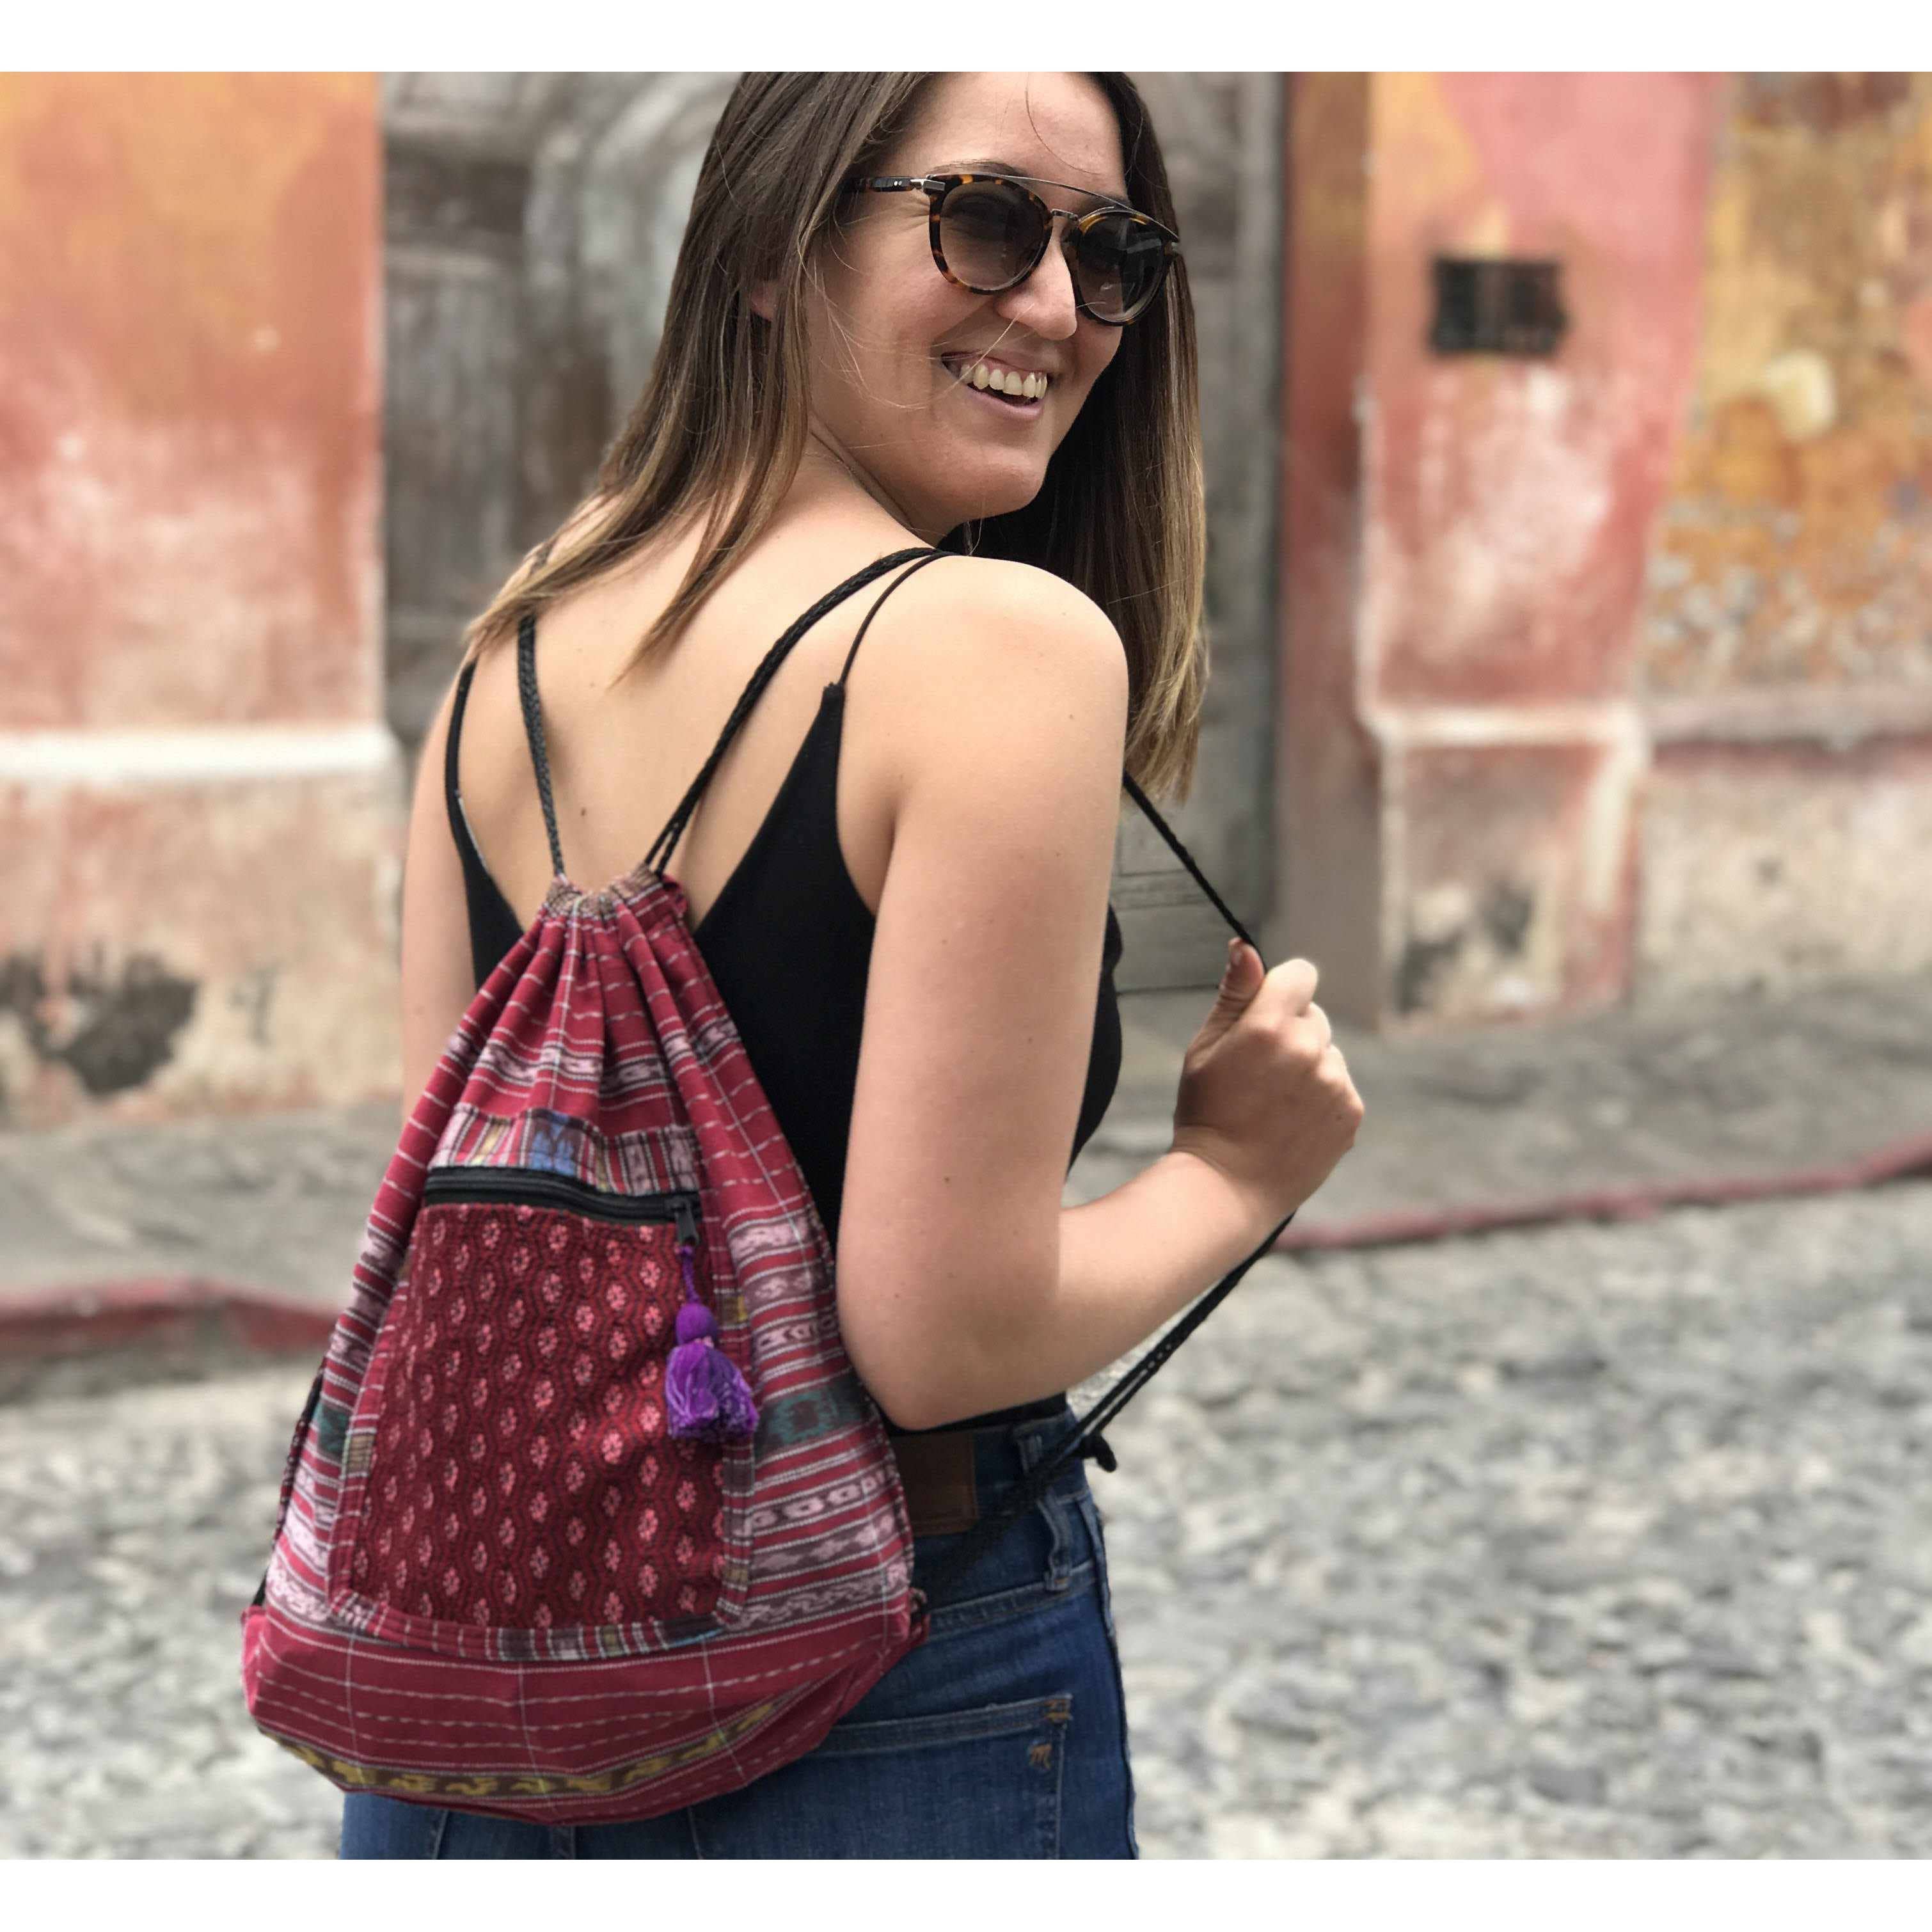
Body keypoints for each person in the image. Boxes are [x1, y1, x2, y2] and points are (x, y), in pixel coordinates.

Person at [342, 70, 1363, 1860]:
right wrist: (1235, 1170)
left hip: (480, 1700)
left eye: (1113, 254)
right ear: (769, 247)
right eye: (986, 221)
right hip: (881, 1670)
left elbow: (461, 1236)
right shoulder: (997, 647)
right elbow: (942, 1337)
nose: (1057, 304)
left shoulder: (514, 645)